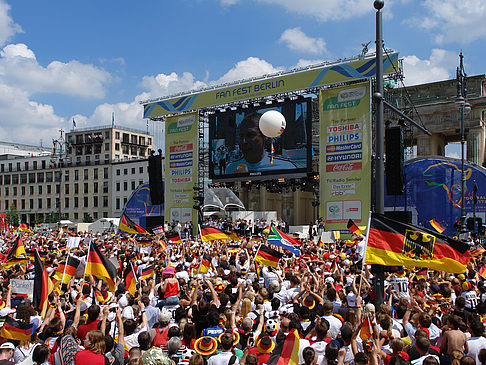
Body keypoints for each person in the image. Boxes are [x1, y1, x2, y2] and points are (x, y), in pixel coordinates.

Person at [225, 113, 296, 174]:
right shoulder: (231, 168)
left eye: (250, 135)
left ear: (265, 136)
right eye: (241, 136)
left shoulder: (286, 167)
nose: (244, 141)